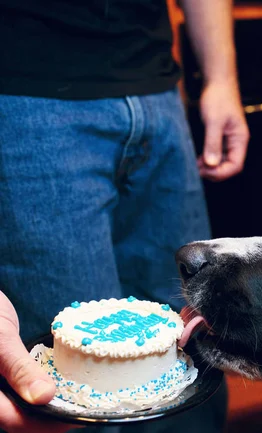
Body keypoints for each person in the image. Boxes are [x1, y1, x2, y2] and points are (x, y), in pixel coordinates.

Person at [0, 0, 249, 432]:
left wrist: (220, 76)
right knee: (76, 408)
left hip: (159, 91)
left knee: (195, 364)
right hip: (23, 97)